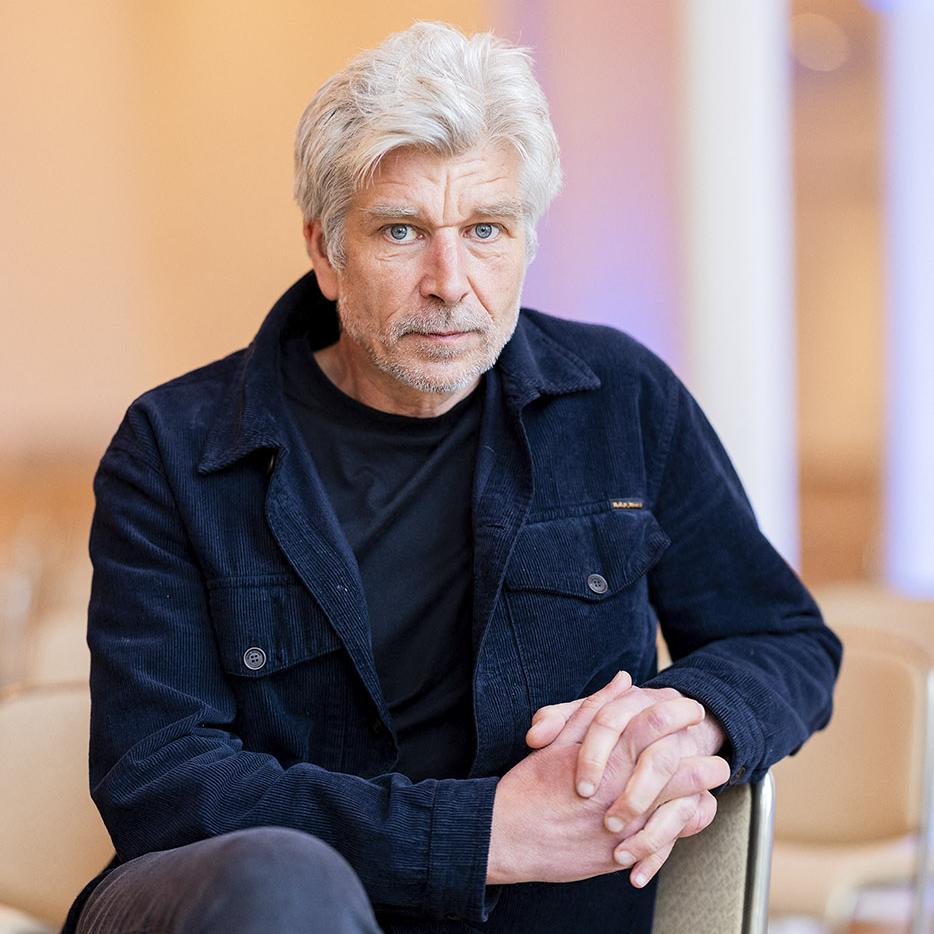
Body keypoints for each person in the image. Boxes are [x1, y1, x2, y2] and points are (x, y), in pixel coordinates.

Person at [65, 21, 841, 934]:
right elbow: (160, 778)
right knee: (282, 883)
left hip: (540, 915)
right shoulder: (177, 445)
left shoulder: (620, 399)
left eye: (486, 229)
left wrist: (691, 718)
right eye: (402, 231)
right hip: (258, 909)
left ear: (526, 240)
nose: (451, 280)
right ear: (326, 251)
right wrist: (480, 836)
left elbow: (787, 641)